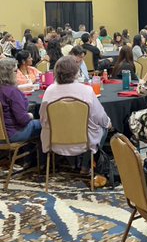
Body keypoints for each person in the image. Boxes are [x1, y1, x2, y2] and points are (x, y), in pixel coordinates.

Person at [40, 57, 112, 187]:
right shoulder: (86, 91)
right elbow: (101, 117)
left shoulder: (49, 91)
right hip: (84, 143)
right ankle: (85, 165)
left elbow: (43, 119)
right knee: (104, 127)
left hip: (55, 142)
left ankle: (72, 163)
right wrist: (109, 123)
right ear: (76, 72)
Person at [0, 57, 41, 144]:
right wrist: (30, 115)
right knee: (45, 125)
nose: (17, 73)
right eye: (15, 71)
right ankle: (41, 157)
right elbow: (23, 120)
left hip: (3, 134)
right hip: (13, 133)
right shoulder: (12, 92)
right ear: (8, 74)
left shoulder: (5, 90)